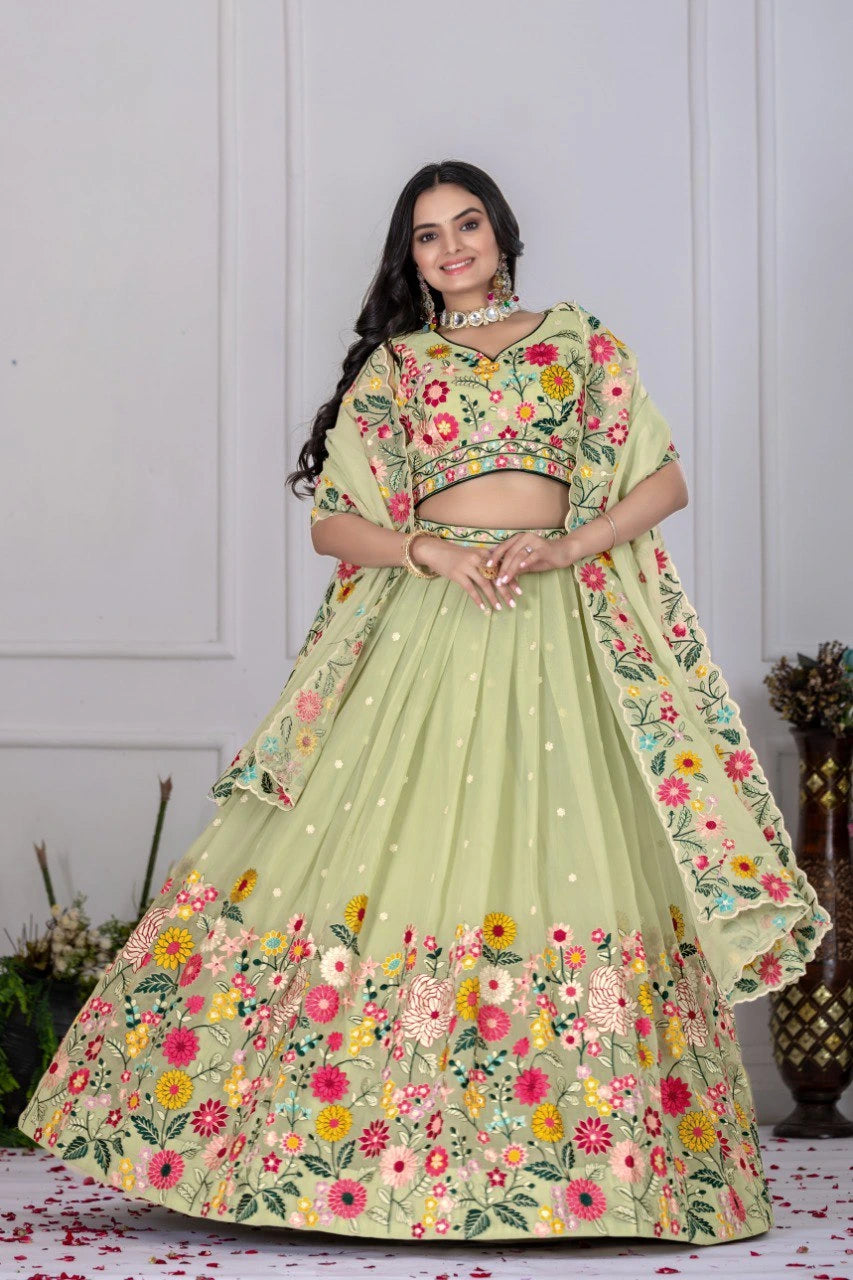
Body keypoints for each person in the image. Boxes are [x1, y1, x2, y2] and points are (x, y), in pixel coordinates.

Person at [18, 159, 832, 1246]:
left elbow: (660, 479)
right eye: (426, 236)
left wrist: (567, 543)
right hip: (431, 620)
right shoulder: (399, 368)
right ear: (411, 261)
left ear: (501, 231)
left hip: (560, 618)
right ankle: (365, 1155)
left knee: (566, 860)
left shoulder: (577, 340)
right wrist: (429, 549)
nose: (451, 247)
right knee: (390, 856)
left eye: (467, 224)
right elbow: (333, 522)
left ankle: (591, 1166)